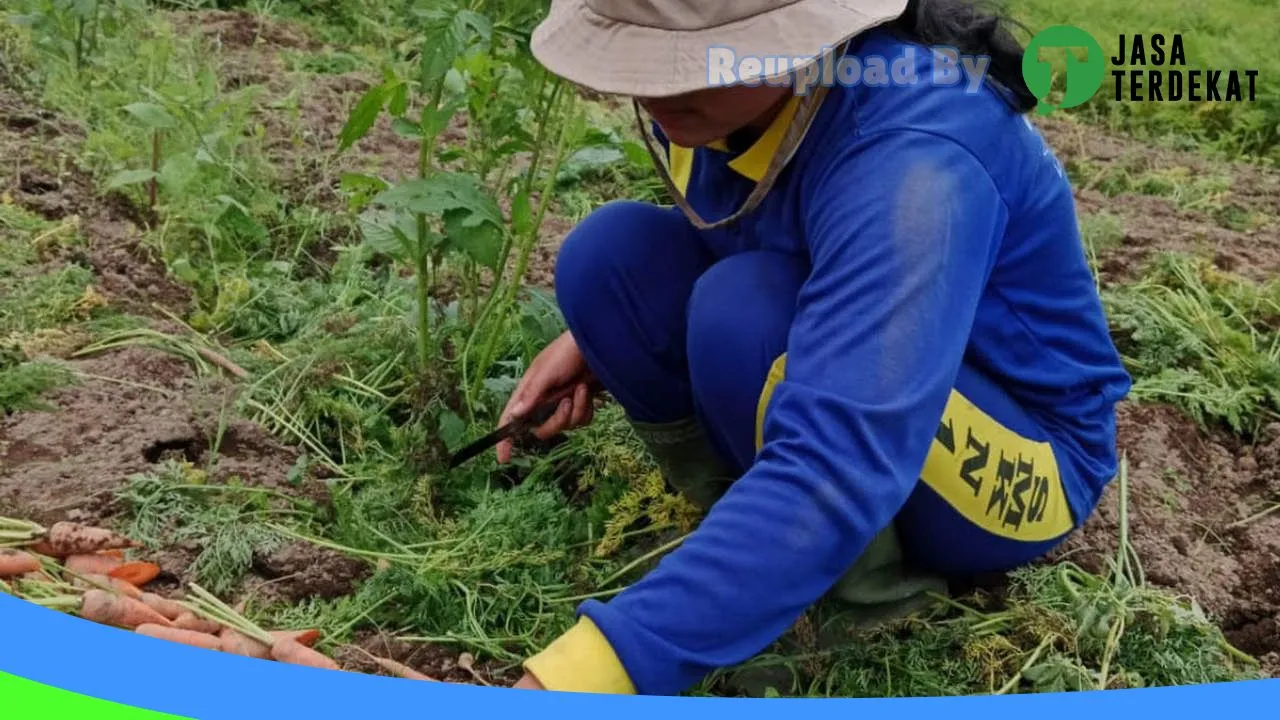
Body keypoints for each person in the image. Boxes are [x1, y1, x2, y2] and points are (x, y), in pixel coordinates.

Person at [497, 0, 1133, 697]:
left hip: (1026, 460)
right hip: (868, 362)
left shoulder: (917, 153)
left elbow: (842, 451)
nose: (654, 91)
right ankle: (740, 539)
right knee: (609, 259)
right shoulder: (728, 96)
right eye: (639, 59)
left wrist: (582, 678)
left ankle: (865, 608)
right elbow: (767, 232)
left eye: (688, 60)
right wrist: (600, 336)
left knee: (744, 315)